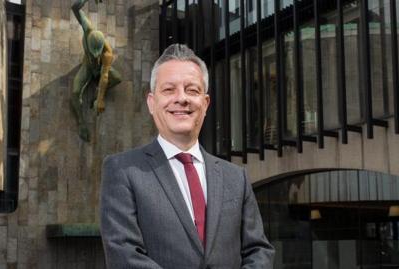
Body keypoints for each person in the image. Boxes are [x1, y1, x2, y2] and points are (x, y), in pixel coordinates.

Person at [100, 44, 274, 268]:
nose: (181, 98)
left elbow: (258, 251)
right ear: (152, 103)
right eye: (169, 90)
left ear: (205, 103)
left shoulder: (236, 178)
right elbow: (123, 255)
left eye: (192, 90)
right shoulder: (122, 170)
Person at [71, 0, 122, 141]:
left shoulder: (107, 54)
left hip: (100, 69)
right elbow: (75, 8)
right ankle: (81, 123)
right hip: (87, 66)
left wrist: (100, 99)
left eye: (97, 53)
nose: (96, 55)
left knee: (117, 78)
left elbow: (105, 76)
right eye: (94, 52)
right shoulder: (88, 28)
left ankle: (97, 94)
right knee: (75, 92)